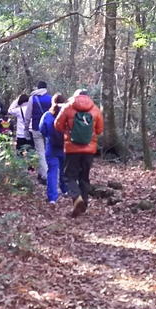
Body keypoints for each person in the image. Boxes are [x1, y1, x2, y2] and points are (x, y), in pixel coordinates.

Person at [54, 89, 104, 218]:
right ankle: (83, 206)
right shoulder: (95, 109)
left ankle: (77, 198)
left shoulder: (67, 107)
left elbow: (58, 125)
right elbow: (99, 130)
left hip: (72, 149)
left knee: (68, 177)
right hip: (89, 150)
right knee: (84, 177)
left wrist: (68, 129)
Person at [39, 94, 68, 204]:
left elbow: (42, 130)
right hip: (65, 147)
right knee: (64, 169)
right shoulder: (68, 115)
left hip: (51, 147)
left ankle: (52, 197)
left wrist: (49, 136)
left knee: (52, 171)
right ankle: (65, 189)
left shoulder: (47, 115)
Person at [24, 81, 52, 184]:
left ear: (38, 88)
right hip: (48, 129)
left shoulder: (32, 98)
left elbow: (28, 115)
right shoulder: (51, 98)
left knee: (40, 152)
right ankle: (43, 173)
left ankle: (44, 175)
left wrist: (26, 127)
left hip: (36, 128)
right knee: (47, 152)